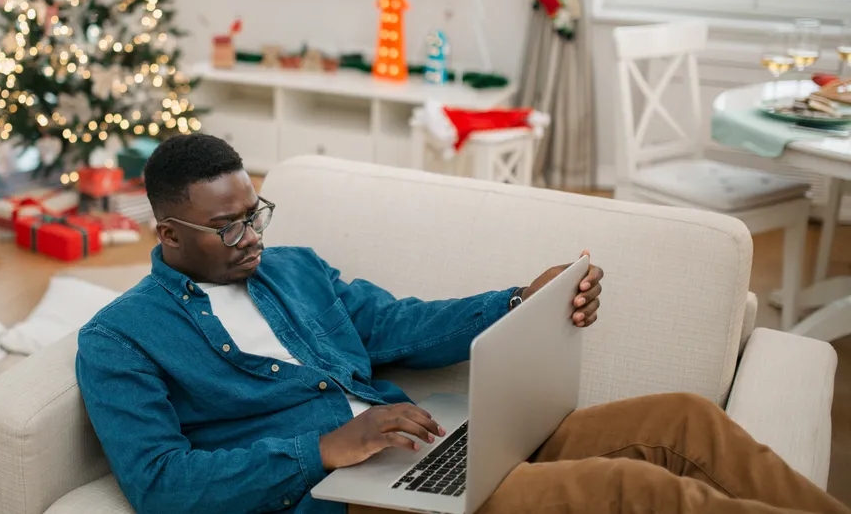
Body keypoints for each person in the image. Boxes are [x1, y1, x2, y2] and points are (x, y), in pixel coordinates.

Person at [76, 135, 847, 514]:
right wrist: (323, 448)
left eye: (255, 213)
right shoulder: (118, 339)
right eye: (227, 226)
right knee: (628, 487)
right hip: (350, 500)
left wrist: (517, 300)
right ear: (168, 231)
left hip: (430, 448)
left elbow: (400, 321)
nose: (252, 238)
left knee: (684, 419)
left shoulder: (294, 268)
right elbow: (160, 484)